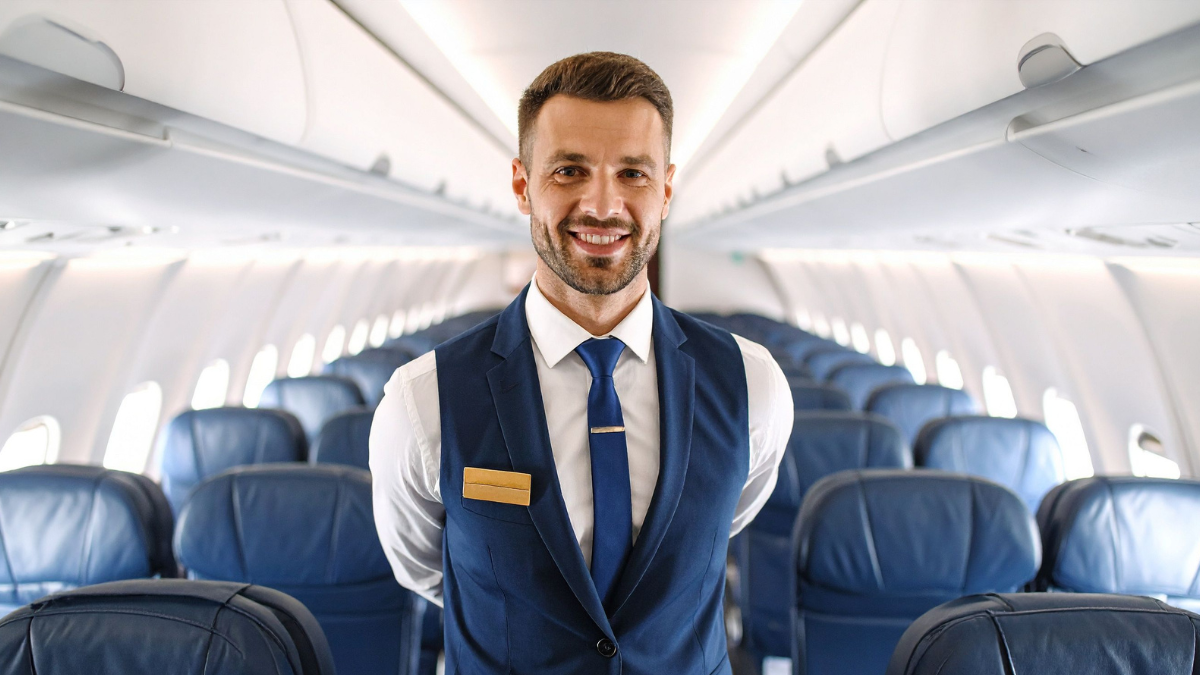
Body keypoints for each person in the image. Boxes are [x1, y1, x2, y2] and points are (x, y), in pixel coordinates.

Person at [370, 51, 793, 674]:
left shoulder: (754, 385)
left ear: (667, 190)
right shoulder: (423, 401)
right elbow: (427, 567)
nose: (603, 205)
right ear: (522, 184)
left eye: (633, 174)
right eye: (569, 170)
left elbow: (716, 529)